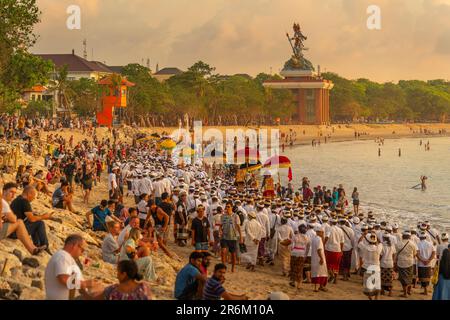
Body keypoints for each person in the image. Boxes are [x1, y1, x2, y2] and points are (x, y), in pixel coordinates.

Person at [44, 234, 99, 300]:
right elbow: (63, 279)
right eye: (82, 250)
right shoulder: (63, 256)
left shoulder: (65, 257)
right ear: (74, 245)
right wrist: (84, 283)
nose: (82, 253)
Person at [1, 183, 46, 255]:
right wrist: (44, 217)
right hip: (5, 231)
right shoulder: (4, 203)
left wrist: (6, 217)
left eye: (14, 193)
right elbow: (14, 219)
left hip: (5, 227)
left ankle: (36, 247)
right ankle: (35, 248)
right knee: (20, 222)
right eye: (11, 192)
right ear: (4, 191)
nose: (13, 195)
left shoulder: (14, 200)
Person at [10, 185, 52, 253]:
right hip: (15, 232)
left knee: (35, 222)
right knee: (40, 223)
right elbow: (32, 219)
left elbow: (29, 217)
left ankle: (37, 244)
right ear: (29, 194)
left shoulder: (17, 199)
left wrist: (38, 216)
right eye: (34, 196)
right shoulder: (25, 202)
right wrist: (44, 217)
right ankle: (45, 246)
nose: (33, 198)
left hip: (11, 229)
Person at [220, 200, 242, 273]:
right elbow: (220, 225)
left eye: (228, 207)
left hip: (233, 237)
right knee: (223, 251)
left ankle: (233, 267)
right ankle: (223, 267)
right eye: (226, 207)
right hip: (224, 236)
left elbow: (238, 227)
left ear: (232, 207)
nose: (227, 208)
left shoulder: (236, 216)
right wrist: (220, 231)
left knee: (233, 254)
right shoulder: (223, 216)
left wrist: (241, 236)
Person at [359, 233, 382, 300]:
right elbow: (380, 242)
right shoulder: (378, 248)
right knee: (377, 286)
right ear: (375, 241)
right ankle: (376, 298)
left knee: (368, 286)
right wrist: (375, 235)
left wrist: (363, 235)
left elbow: (359, 242)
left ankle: (370, 298)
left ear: (368, 241)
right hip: (376, 268)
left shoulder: (365, 247)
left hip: (366, 268)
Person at [395, 231, 418, 298]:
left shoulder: (398, 244)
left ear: (402, 236)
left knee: (403, 278)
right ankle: (409, 291)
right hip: (410, 262)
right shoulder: (413, 244)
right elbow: (414, 254)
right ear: (409, 237)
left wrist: (395, 262)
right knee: (409, 276)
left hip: (401, 263)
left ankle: (405, 293)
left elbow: (396, 254)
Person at [290, 224, 310, 289]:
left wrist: (292, 250)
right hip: (302, 253)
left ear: (298, 230)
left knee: (293, 267)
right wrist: (305, 255)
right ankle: (299, 284)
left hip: (294, 252)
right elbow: (308, 247)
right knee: (300, 269)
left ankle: (293, 281)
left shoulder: (295, 236)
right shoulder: (307, 238)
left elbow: (292, 246)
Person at [324, 218, 344, 284]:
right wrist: (341, 250)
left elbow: (327, 236)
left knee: (328, 264)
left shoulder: (329, 228)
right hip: (338, 249)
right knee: (336, 265)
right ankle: (335, 279)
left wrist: (323, 244)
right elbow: (342, 242)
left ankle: (331, 275)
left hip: (330, 249)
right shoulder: (340, 230)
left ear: (331, 222)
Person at [417, 231, 436, 296]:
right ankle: (427, 290)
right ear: (425, 237)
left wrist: (422, 261)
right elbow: (433, 253)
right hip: (428, 264)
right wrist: (429, 260)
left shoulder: (418, 244)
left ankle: (425, 291)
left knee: (422, 277)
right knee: (427, 277)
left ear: (420, 237)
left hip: (421, 264)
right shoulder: (430, 243)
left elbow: (417, 254)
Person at [311, 225, 328, 292]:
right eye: (322, 232)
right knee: (320, 273)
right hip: (319, 258)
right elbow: (319, 249)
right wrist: (321, 258)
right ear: (319, 232)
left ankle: (319, 287)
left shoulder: (314, 238)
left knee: (317, 273)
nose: (323, 234)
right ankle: (318, 287)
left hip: (315, 258)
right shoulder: (319, 239)